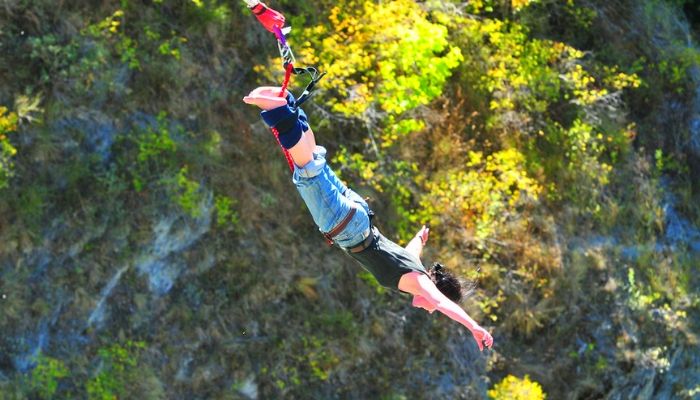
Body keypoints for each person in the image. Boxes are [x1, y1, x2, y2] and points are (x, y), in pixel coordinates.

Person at [243, 86, 494, 351]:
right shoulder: (419, 283)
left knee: (315, 159)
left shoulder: (415, 268)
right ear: (436, 292)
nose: (431, 311)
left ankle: (287, 103)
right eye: (434, 307)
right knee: (307, 171)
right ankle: (278, 110)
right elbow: (444, 304)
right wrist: (474, 327)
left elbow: (411, 250)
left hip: (360, 215)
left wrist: (421, 236)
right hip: (346, 226)